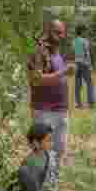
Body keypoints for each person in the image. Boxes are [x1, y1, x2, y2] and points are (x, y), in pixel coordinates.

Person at [27, 20, 74, 165]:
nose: (60, 36)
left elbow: (57, 77)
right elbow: (36, 80)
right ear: (47, 31)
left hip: (61, 110)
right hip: (44, 110)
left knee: (59, 151)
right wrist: (64, 71)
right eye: (56, 32)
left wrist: (66, 73)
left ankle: (52, 183)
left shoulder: (57, 54)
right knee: (42, 153)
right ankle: (39, 185)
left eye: (62, 33)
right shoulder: (39, 52)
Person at [23, 122, 77, 191]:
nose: (51, 143)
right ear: (35, 143)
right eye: (48, 140)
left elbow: (54, 177)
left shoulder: (51, 156)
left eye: (51, 140)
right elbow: (29, 188)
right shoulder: (30, 162)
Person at [71, 24, 95, 109]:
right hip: (85, 64)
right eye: (85, 31)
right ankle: (91, 103)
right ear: (82, 31)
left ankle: (78, 103)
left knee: (78, 84)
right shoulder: (85, 41)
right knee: (90, 83)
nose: (86, 32)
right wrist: (90, 65)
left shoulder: (74, 41)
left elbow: (74, 53)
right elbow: (86, 53)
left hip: (77, 63)